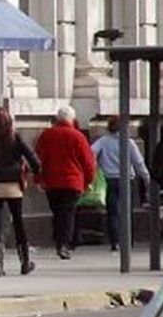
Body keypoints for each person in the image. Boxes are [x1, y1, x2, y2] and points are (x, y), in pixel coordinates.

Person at [0, 106, 41, 276]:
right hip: (13, 186)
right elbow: (33, 159)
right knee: (18, 222)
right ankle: (25, 262)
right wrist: (33, 172)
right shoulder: (14, 138)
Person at [33, 104, 96, 259]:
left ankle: (58, 240)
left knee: (57, 212)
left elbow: (38, 160)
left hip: (52, 182)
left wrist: (39, 179)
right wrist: (88, 181)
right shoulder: (78, 136)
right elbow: (88, 162)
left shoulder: (47, 135)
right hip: (73, 183)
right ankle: (63, 244)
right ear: (72, 119)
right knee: (68, 214)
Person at [91, 116, 151, 252]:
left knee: (112, 211)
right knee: (127, 210)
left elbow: (91, 153)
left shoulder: (103, 141)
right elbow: (138, 162)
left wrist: (96, 168)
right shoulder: (129, 142)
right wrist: (147, 178)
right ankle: (127, 239)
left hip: (109, 179)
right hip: (127, 179)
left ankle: (115, 241)